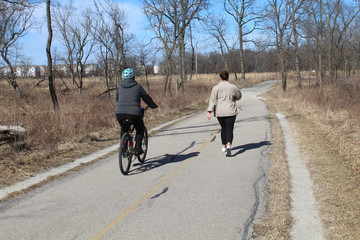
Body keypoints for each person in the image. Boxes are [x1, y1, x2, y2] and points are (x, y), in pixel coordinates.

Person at [115, 68, 158, 154]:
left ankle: (123, 148)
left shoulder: (120, 87)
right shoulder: (137, 86)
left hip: (120, 113)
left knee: (124, 129)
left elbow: (117, 98)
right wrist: (153, 105)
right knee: (140, 128)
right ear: (134, 77)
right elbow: (146, 97)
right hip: (134, 113)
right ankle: (138, 147)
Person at [207, 71, 242, 157]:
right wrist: (233, 98)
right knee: (230, 129)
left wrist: (209, 111)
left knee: (223, 128)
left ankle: (223, 146)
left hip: (220, 111)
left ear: (220, 77)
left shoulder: (215, 88)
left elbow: (212, 100)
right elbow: (239, 96)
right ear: (228, 77)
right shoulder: (233, 87)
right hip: (231, 111)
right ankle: (229, 144)